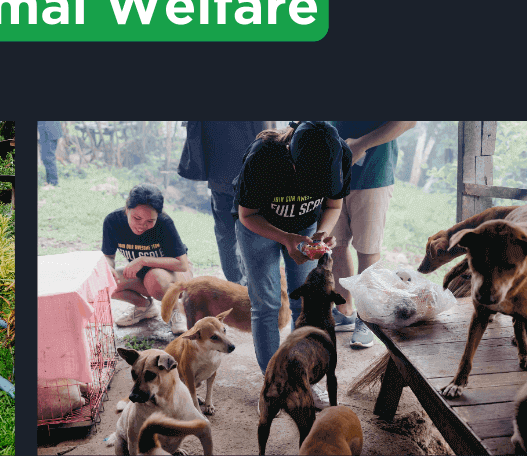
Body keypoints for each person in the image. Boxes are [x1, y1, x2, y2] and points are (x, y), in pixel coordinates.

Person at [233, 121, 350, 383]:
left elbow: (333, 206)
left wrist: (321, 232)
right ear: (291, 157)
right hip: (258, 226)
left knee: (306, 301)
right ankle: (274, 381)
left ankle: (301, 377)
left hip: (305, 225)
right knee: (267, 304)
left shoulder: (340, 154)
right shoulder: (264, 156)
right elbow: (247, 215)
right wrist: (286, 238)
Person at [327, 121, 417, 348]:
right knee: (335, 246)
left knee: (367, 250)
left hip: (372, 173)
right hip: (330, 172)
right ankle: (344, 312)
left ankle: (367, 319)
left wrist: (360, 145)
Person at [178, 121, 271, 285]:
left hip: (221, 170)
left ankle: (238, 283)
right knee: (255, 228)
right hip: (253, 169)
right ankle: (253, 285)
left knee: (226, 232)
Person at [102, 183, 193, 333]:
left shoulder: (164, 223)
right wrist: (108, 268)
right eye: (137, 218)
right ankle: (144, 307)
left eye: (150, 221)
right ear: (127, 209)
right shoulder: (113, 221)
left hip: (176, 277)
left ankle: (176, 312)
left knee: (154, 278)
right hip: (143, 275)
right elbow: (108, 256)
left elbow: (182, 264)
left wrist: (143, 260)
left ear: (158, 215)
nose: (141, 226)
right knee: (105, 283)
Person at [39, 121, 62, 188]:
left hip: (50, 132)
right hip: (45, 132)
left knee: (49, 157)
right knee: (45, 157)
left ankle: (53, 183)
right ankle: (49, 181)